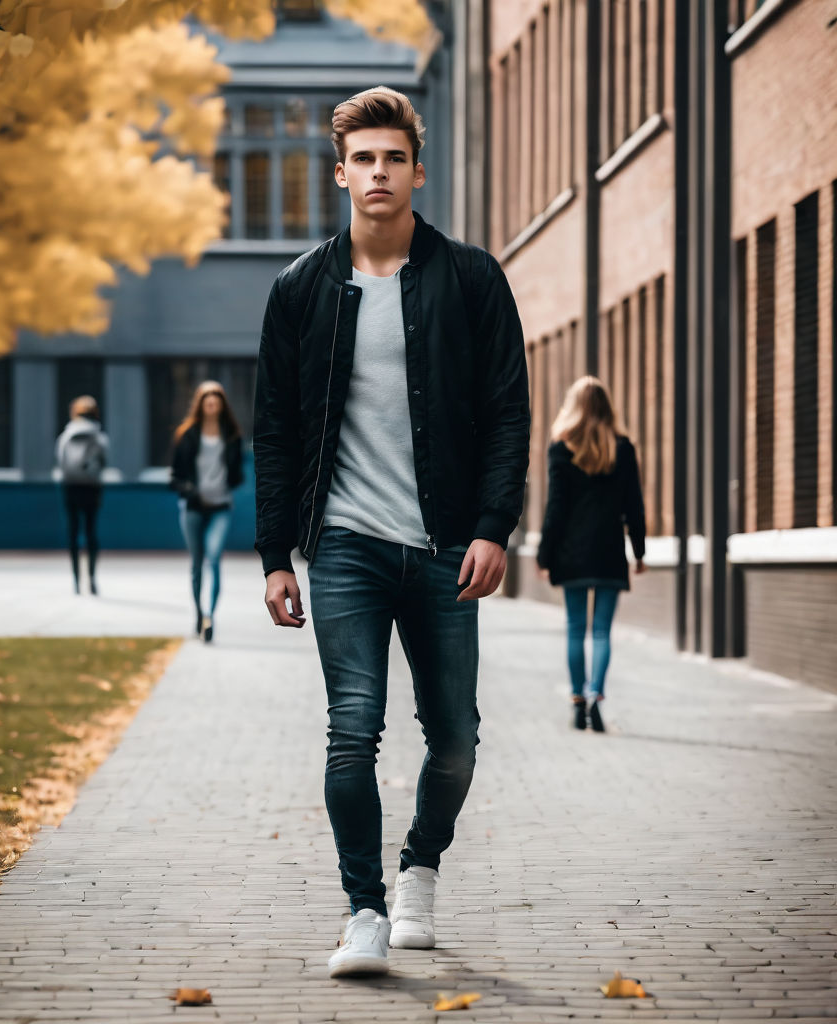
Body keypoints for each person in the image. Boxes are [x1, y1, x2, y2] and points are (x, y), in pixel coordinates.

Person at [254, 86, 530, 978]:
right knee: (352, 729)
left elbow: (505, 415)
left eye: (393, 157)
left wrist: (493, 527)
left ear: (417, 168)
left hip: (448, 547)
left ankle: (420, 865)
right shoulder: (299, 290)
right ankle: (364, 910)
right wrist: (273, 557)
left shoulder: (473, 278)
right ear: (341, 174)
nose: (378, 172)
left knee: (454, 738)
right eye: (362, 159)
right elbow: (276, 433)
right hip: (344, 548)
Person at [536, 376, 647, 732]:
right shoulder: (624, 448)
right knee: (601, 632)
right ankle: (596, 693)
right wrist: (639, 551)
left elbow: (555, 508)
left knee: (574, 630)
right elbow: (635, 507)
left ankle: (577, 701)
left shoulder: (561, 448)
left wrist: (544, 554)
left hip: (572, 553)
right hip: (609, 552)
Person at [170, 381, 245, 643]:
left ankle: (210, 617)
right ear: (200, 402)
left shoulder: (232, 435)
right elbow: (175, 477)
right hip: (192, 507)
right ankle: (198, 613)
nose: (212, 400)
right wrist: (191, 490)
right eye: (207, 396)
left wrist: (228, 482)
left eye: (217, 396)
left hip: (220, 508)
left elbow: (237, 474)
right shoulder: (187, 434)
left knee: (214, 558)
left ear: (222, 403)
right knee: (196, 564)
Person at [55, 395, 109, 596]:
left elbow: (60, 461)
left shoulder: (66, 435)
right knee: (91, 531)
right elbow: (104, 461)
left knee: (73, 532)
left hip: (70, 487)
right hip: (92, 487)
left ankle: (76, 581)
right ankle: (92, 579)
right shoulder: (99, 437)